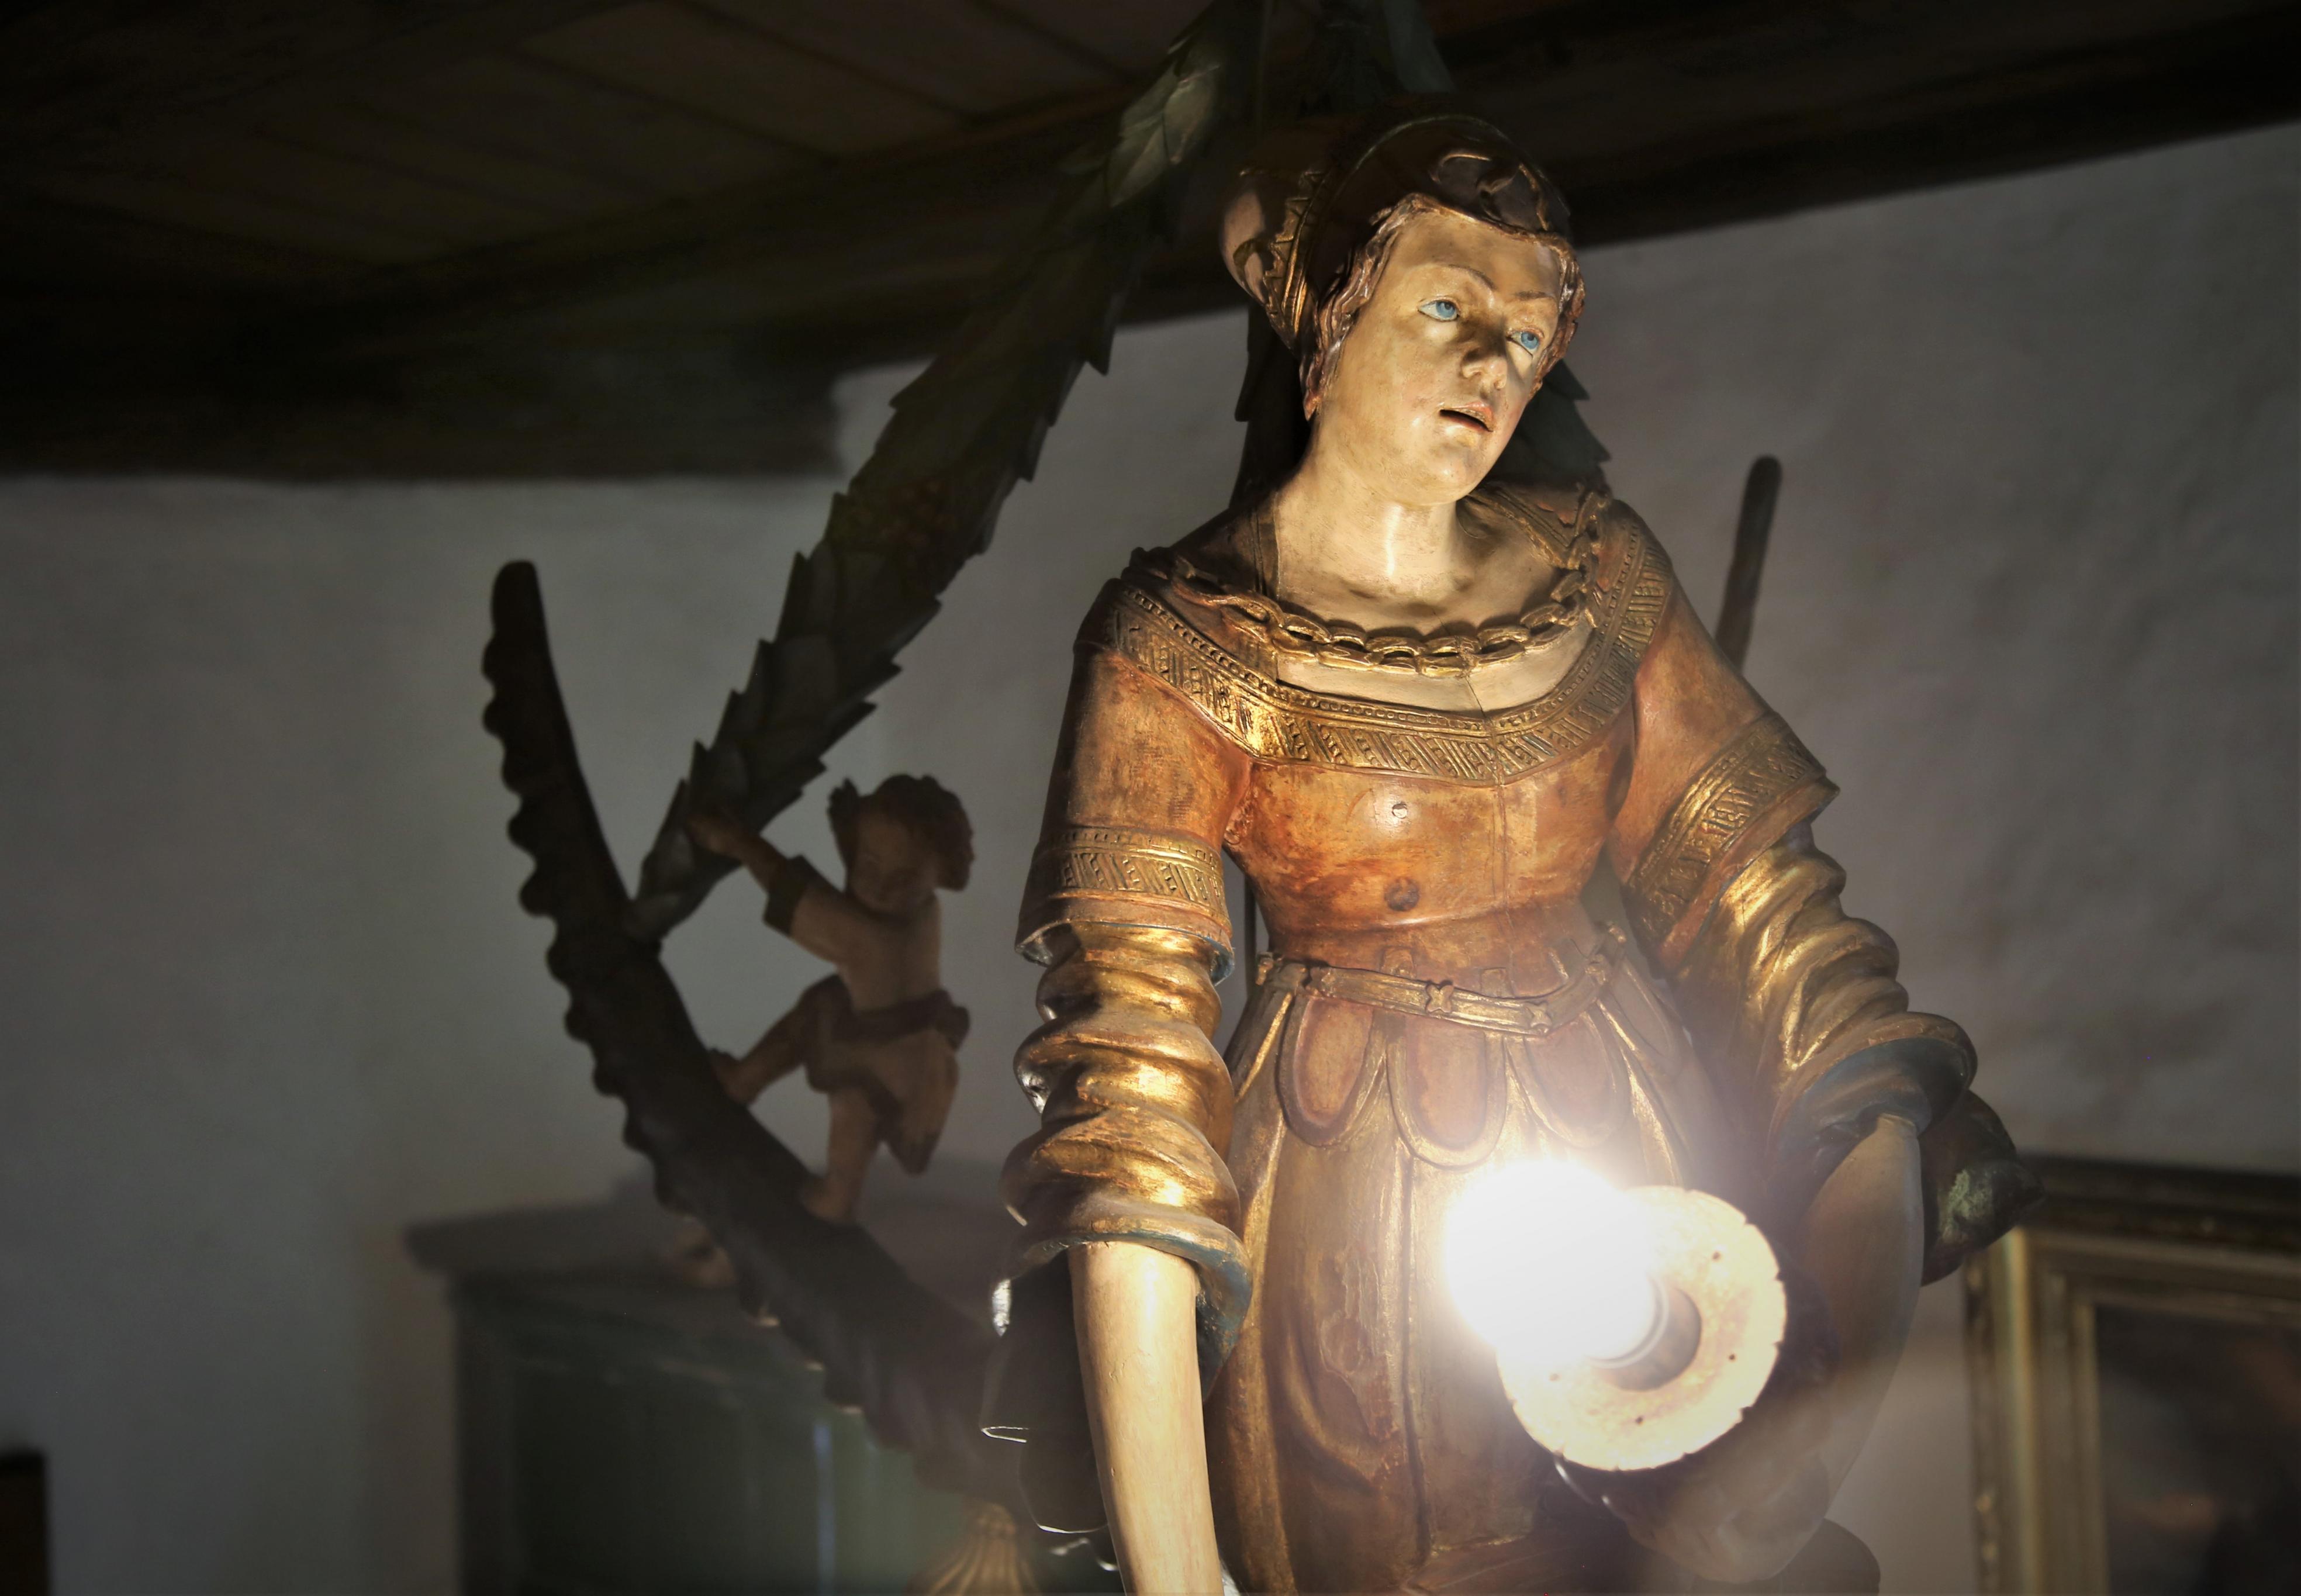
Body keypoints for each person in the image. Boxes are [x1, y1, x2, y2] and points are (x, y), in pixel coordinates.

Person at [994, 102, 2031, 1594]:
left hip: (1640, 1162)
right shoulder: (1182, 642)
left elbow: (1790, 950)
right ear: (1331, 318)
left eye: (1529, 333)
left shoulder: (1599, 582)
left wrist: (1813, 1432)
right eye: (1446, 307)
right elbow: (1131, 1102)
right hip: (1352, 1226)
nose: (1494, 363)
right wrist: (1176, 1575)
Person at [689, 774, 973, 1224]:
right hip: (904, 1036)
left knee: (853, 1109)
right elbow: (864, 884)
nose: (879, 887)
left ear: (942, 875)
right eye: (867, 864)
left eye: (902, 878)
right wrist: (848, 833)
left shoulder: (871, 938)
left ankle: (839, 1195)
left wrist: (740, 844)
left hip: (888, 1058)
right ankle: (745, 1078)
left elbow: (796, 893)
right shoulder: (923, 908)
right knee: (816, 1010)